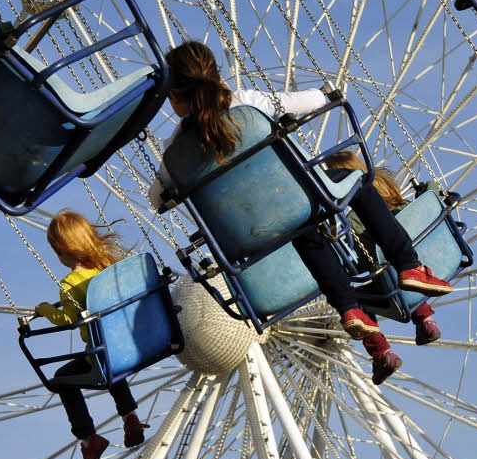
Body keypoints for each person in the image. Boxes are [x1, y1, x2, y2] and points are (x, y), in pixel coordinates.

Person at [146, 41, 453, 382]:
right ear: (218, 76)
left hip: (246, 237)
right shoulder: (248, 103)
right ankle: (408, 266)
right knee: (356, 182)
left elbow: (156, 198)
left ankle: (350, 308)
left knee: (307, 227)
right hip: (294, 203)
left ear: (173, 97)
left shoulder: (174, 152)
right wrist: (324, 94)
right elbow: (310, 102)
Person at [35, 210, 149, 459]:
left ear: (62, 250)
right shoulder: (107, 271)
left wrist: (44, 310)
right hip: (128, 344)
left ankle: (88, 438)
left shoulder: (70, 283)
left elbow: (65, 318)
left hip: (100, 355)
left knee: (62, 379)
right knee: (112, 360)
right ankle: (130, 417)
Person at [325, 150, 445, 383]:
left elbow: (358, 263)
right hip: (429, 262)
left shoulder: (355, 213)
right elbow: (433, 193)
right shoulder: (393, 195)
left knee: (354, 302)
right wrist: (429, 190)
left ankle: (383, 354)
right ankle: (426, 321)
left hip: (393, 277)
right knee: (406, 274)